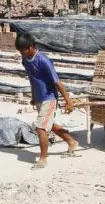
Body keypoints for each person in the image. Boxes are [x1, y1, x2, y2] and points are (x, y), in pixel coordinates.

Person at [15, 32, 79, 170]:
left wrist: (69, 101)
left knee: (41, 127)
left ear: (31, 47)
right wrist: (33, 96)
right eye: (19, 50)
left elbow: (57, 82)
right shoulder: (25, 60)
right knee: (49, 124)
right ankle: (71, 142)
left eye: (23, 50)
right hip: (39, 98)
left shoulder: (43, 61)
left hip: (49, 98)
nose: (21, 53)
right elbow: (32, 79)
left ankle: (43, 159)